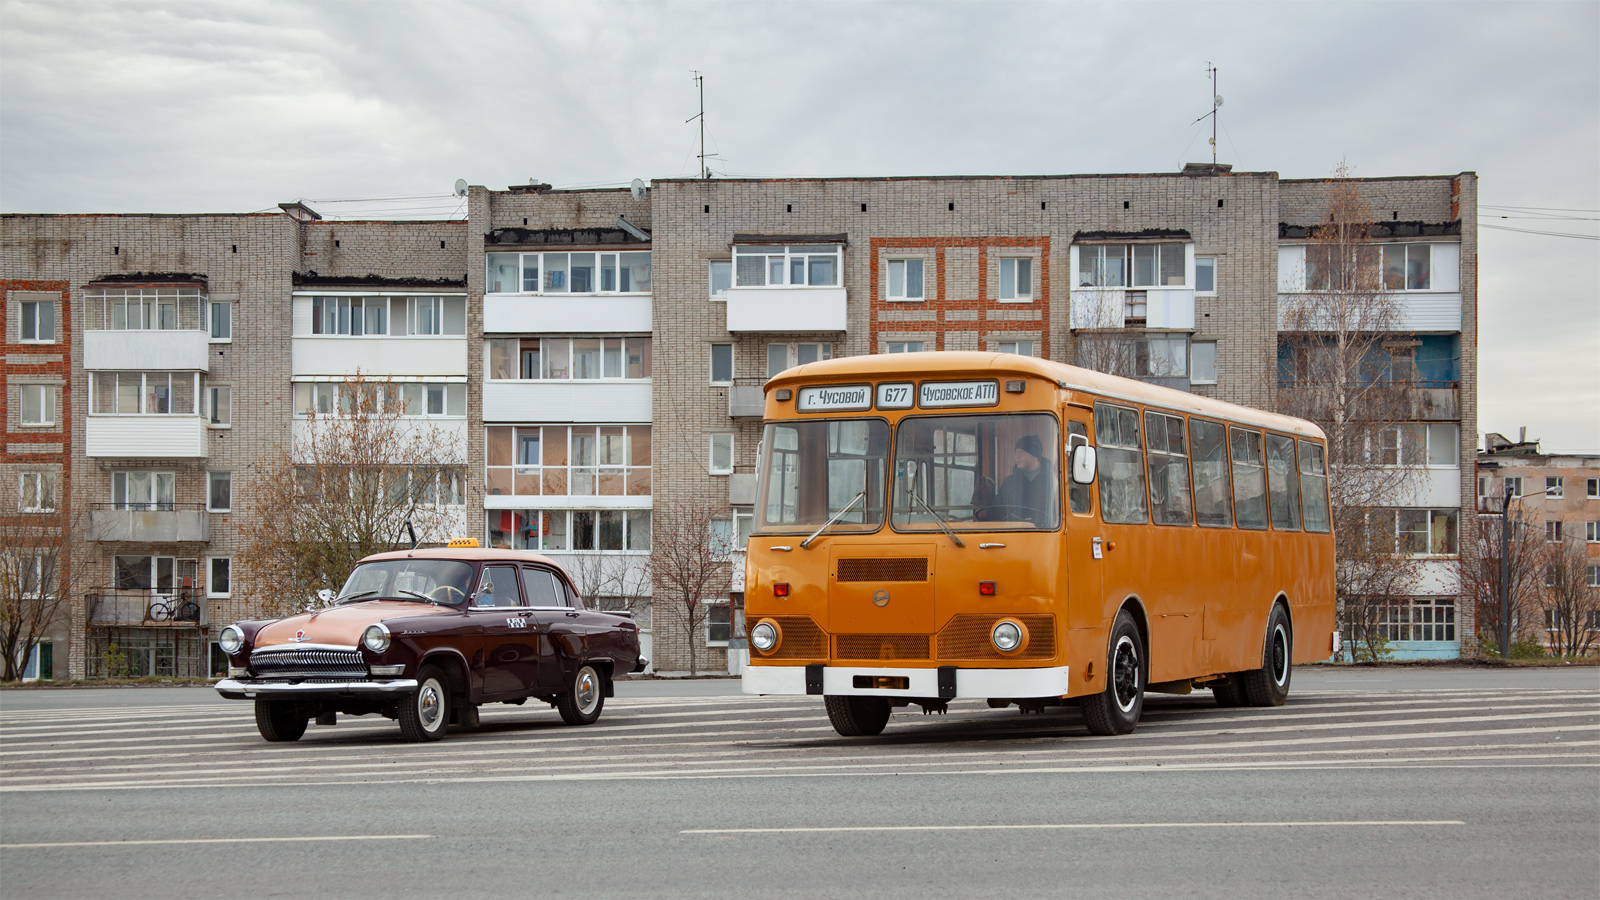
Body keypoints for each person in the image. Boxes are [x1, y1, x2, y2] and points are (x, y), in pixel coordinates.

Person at [994, 434, 1054, 523]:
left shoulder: (1053, 481)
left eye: (1021, 452)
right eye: (1016, 452)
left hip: (1044, 534)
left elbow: (1061, 513)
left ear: (1035, 455)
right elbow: (997, 509)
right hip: (1013, 533)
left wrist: (1040, 520)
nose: (1017, 456)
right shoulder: (1009, 482)